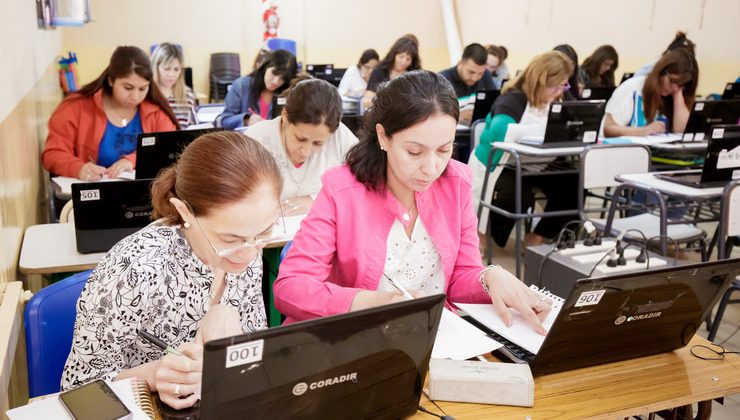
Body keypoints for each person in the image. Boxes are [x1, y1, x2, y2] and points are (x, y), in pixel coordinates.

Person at [273, 70, 552, 334]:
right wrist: (373, 303)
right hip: (358, 339)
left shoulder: (456, 183)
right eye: (414, 151)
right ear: (383, 137)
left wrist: (489, 278)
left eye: (444, 149)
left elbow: (460, 278)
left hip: (433, 339)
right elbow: (291, 288)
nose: (431, 168)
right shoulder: (342, 190)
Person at [61, 131, 284, 409]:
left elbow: (250, 364)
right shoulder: (136, 268)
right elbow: (77, 391)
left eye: (264, 232)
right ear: (184, 211)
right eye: (230, 239)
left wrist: (232, 333)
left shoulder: (248, 249)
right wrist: (152, 376)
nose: (251, 252)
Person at [469, 51, 577, 248]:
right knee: (517, 194)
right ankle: (482, 236)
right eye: (556, 86)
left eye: (564, 85)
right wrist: (547, 130)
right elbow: (500, 131)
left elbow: (577, 121)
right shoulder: (514, 98)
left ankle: (538, 236)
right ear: (540, 80)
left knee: (574, 185)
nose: (560, 91)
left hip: (539, 164)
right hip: (501, 164)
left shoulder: (561, 96)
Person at [42, 46, 179, 180]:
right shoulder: (75, 108)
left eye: (143, 89)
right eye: (128, 87)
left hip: (144, 195)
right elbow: (53, 154)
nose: (136, 96)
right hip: (90, 193)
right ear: (111, 80)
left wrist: (131, 161)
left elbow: (170, 152)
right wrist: (78, 168)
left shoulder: (156, 113)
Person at [245, 78, 359, 216]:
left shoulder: (340, 136)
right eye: (300, 139)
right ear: (285, 116)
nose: (305, 152)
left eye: (318, 143)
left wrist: (316, 200)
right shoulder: (256, 140)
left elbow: (364, 184)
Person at [603, 48, 698, 138]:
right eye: (672, 81)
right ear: (661, 72)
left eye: (681, 85)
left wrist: (678, 96)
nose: (674, 88)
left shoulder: (676, 94)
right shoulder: (632, 88)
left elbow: (680, 131)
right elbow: (608, 129)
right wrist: (642, 131)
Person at [220, 49, 297, 129]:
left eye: (283, 79)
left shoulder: (287, 93)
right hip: (245, 140)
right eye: (274, 73)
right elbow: (225, 120)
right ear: (265, 66)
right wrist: (247, 120)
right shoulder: (242, 85)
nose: (276, 81)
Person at [362, 37, 422, 109]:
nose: (404, 62)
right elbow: (366, 102)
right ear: (394, 55)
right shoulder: (379, 72)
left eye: (408, 59)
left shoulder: (413, 76)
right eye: (401, 56)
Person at [151, 42, 198, 128]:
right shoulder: (146, 94)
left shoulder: (188, 95)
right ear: (156, 67)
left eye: (176, 69)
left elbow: (193, 128)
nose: (171, 74)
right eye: (166, 69)